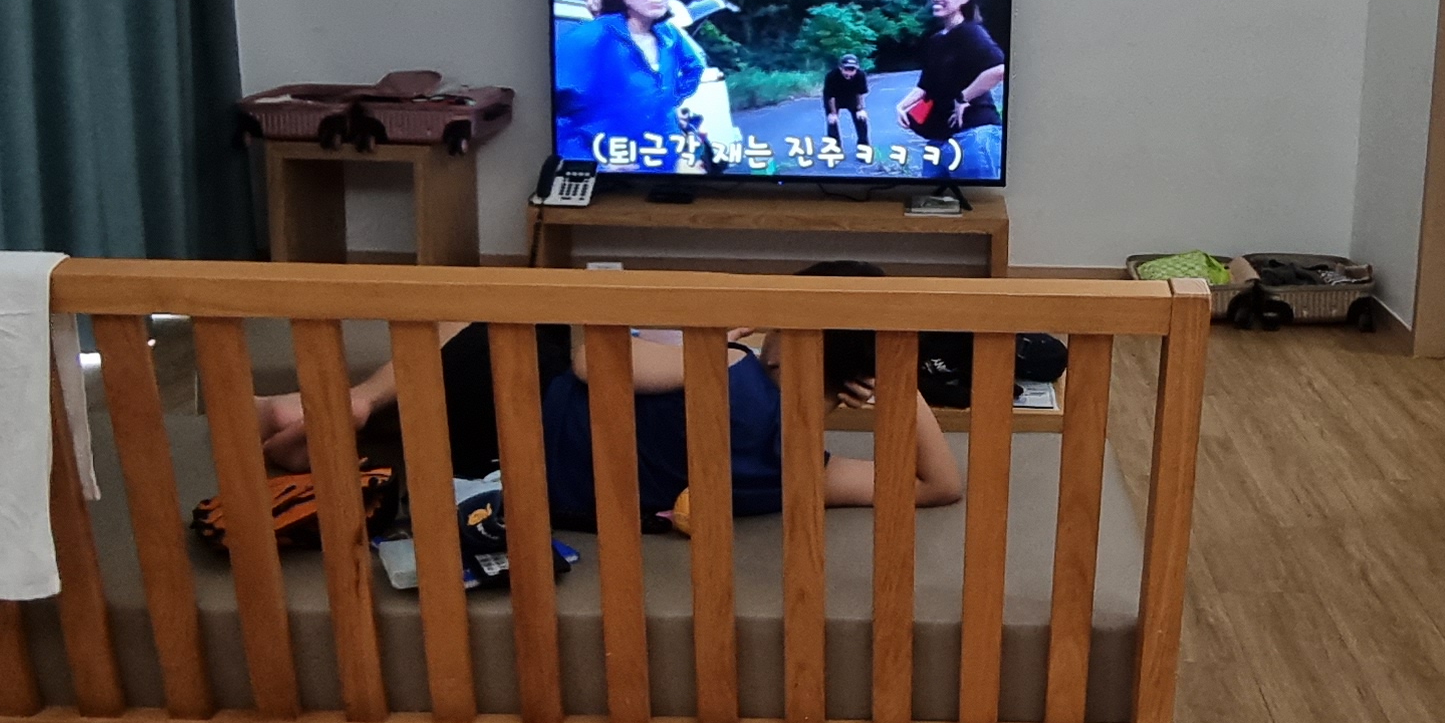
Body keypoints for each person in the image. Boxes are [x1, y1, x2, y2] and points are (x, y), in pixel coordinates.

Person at [253, 262, 964, 528]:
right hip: (513, 478)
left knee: (503, 315)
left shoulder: (724, 366)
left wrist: (715, 338)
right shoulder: (800, 468)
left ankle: (355, 402)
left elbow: (595, 360)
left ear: (782, 325)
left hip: (508, 413)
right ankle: (333, 421)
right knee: (462, 388)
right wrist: (902, 387)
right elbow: (938, 487)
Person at [550, 0, 705, 169]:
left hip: (668, 171)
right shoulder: (587, 39)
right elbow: (549, 115)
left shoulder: (668, 33)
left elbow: (694, 67)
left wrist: (668, 102)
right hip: (615, 182)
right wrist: (593, 167)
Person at [905, 0, 1005, 180]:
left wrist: (963, 97)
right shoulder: (936, 40)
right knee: (930, 199)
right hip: (939, 139)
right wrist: (901, 106)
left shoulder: (971, 32)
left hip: (974, 134)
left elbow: (999, 69)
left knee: (976, 200)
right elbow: (925, 86)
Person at [819, 52, 870, 165]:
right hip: (834, 98)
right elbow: (831, 96)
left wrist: (860, 109)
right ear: (840, 68)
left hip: (851, 96)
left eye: (852, 69)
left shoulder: (860, 75)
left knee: (861, 120)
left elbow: (859, 93)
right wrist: (833, 113)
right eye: (846, 69)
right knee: (832, 122)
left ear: (857, 69)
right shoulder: (831, 76)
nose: (849, 73)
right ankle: (835, 150)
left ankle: (863, 148)